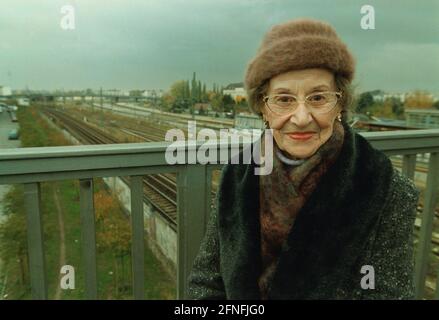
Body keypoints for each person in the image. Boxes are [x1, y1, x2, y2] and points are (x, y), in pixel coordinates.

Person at [187, 18, 420, 299]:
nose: (300, 118)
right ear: (263, 108)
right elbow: (205, 284)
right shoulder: (237, 177)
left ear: (340, 105)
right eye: (284, 99)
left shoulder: (387, 190)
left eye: (318, 98)